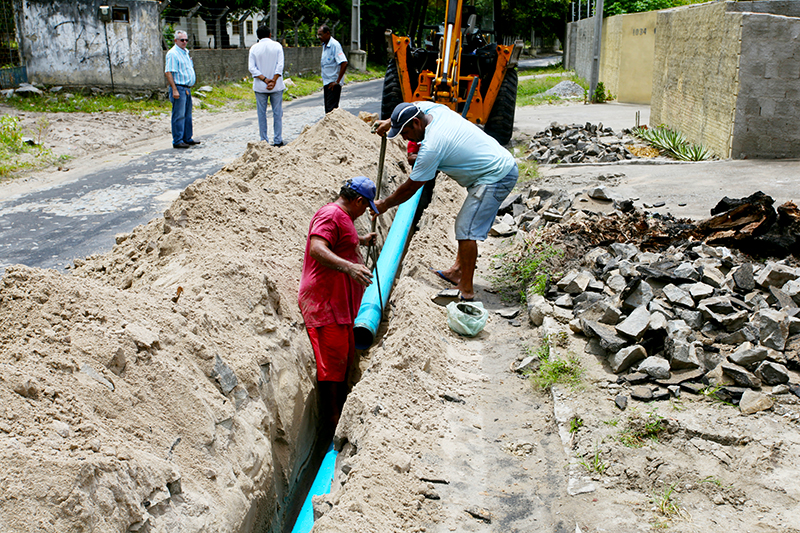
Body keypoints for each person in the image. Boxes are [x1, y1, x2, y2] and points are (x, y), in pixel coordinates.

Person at [373, 102, 518, 301]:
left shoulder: (432, 146)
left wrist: (384, 205)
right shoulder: (434, 111)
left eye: (405, 132)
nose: (405, 138)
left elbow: (411, 187)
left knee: (466, 229)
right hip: (491, 167)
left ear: (416, 123)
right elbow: (416, 104)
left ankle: (466, 290)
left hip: (496, 176)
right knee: (465, 225)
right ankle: (458, 271)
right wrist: (389, 122)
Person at [298, 176, 378, 429]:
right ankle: (332, 424)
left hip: (339, 306)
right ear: (358, 201)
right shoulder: (331, 215)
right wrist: (350, 267)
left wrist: (361, 241)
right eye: (366, 207)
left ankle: (343, 410)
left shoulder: (343, 217)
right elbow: (317, 248)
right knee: (332, 369)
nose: (366, 211)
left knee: (344, 361)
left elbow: (339, 243)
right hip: (325, 304)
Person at [248, 26, 285, 147]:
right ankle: (278, 140)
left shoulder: (254, 48)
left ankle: (264, 140)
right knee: (277, 113)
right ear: (270, 34)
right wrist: (273, 80)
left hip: (260, 86)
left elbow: (251, 68)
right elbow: (280, 65)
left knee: (261, 114)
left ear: (258, 36)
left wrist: (264, 79)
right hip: (276, 85)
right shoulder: (277, 46)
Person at [164, 30, 200, 149]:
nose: (184, 42)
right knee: (179, 115)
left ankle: (187, 138)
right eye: (181, 40)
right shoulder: (173, 54)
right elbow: (169, 72)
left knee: (187, 114)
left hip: (186, 88)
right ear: (175, 40)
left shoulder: (185, 52)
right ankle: (178, 140)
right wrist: (174, 89)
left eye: (186, 40)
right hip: (179, 87)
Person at [317, 25, 348, 113]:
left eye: (321, 35)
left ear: (328, 33)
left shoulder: (334, 45)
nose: (319, 37)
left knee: (331, 111)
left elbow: (344, 63)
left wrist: (337, 81)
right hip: (327, 82)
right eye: (318, 35)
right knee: (328, 110)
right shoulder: (325, 46)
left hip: (333, 84)